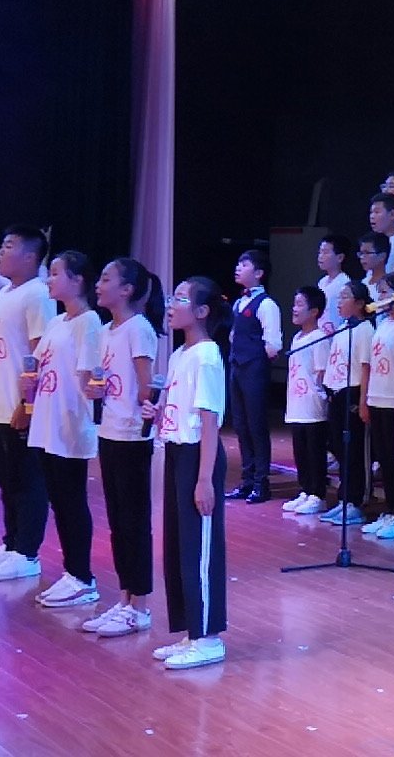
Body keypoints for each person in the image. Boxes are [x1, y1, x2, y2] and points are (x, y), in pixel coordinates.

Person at [0, 226, 54, 584]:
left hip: (22, 405)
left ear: (31, 257)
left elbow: (41, 354)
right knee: (6, 478)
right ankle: (11, 543)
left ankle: (27, 553)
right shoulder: (5, 293)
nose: (0, 252)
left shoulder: (38, 295)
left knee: (27, 480)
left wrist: (28, 404)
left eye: (8, 246)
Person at [155, 276, 230, 670]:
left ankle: (209, 637)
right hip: (176, 452)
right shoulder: (180, 355)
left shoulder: (207, 355)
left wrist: (204, 479)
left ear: (201, 311)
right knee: (179, 546)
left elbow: (209, 420)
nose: (172, 304)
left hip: (198, 457)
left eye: (181, 299)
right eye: (173, 297)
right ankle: (191, 632)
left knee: (200, 548)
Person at [83, 257, 162, 638]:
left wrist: (145, 404)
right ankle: (125, 599)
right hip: (109, 430)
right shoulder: (105, 330)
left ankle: (139, 607)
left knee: (134, 521)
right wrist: (94, 389)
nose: (98, 285)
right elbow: (99, 380)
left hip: (132, 435)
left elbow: (147, 386)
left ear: (127, 289)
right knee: (117, 521)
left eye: (105, 278)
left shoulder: (138, 328)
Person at [25, 251, 105, 611]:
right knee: (59, 500)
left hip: (70, 423)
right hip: (47, 421)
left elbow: (90, 377)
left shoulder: (89, 322)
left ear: (77, 280)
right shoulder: (58, 322)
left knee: (72, 501)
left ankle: (82, 577)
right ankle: (72, 572)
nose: (49, 280)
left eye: (56, 273)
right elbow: (37, 362)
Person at [360, 274, 394, 542]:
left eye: (385, 292)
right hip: (377, 396)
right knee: (383, 458)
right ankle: (389, 509)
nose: (380, 298)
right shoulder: (382, 324)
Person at [226, 250, 282, 505]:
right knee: (240, 424)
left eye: (244, 264)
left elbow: (273, 344)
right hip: (237, 367)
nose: (238, 267)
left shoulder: (267, 305)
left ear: (259, 273)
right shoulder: (239, 302)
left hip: (255, 369)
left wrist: (257, 358)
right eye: (238, 263)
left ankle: (261, 483)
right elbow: (234, 334)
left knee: (256, 425)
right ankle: (247, 480)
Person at [318, 281, 373, 527]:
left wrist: (363, 401)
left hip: (354, 392)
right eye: (338, 297)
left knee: (355, 450)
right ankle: (344, 498)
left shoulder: (365, 330)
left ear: (359, 303)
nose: (339, 302)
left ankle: (356, 501)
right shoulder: (343, 328)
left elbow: (365, 367)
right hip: (337, 393)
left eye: (344, 297)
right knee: (340, 448)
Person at [280, 286, 332, 516]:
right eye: (294, 303)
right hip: (296, 404)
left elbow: (322, 372)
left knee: (314, 451)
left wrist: (318, 394)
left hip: (312, 405)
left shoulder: (319, 338)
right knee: (300, 451)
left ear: (314, 311)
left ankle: (318, 494)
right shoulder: (297, 337)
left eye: (300, 304)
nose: (294, 308)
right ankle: (306, 489)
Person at [368, 193, 394, 275]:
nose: (372, 216)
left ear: (392, 214)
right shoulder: (373, 242)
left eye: (377, 212)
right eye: (371, 212)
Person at [358, 232, 394, 303]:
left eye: (367, 253)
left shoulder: (389, 287)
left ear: (382, 256)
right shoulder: (363, 282)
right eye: (361, 253)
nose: (362, 257)